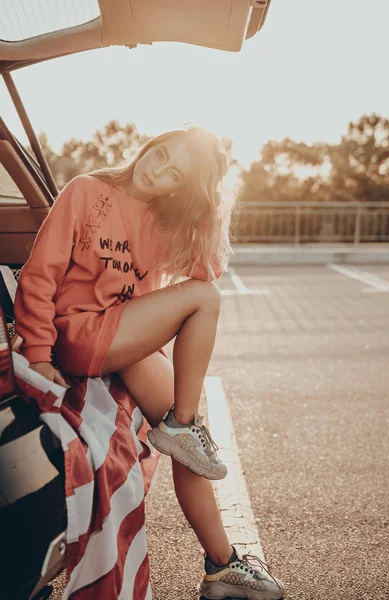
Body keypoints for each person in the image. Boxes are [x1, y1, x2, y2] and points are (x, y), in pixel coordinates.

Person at [14, 126, 285, 600]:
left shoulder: (165, 223)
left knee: (191, 446)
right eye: (160, 154)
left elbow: (209, 266)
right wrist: (37, 354)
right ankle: (181, 425)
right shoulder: (88, 192)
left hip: (124, 343)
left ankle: (221, 567)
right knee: (205, 301)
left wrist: (213, 201)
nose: (156, 169)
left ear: (180, 188)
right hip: (78, 334)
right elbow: (39, 277)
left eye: (173, 173)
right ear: (148, 145)